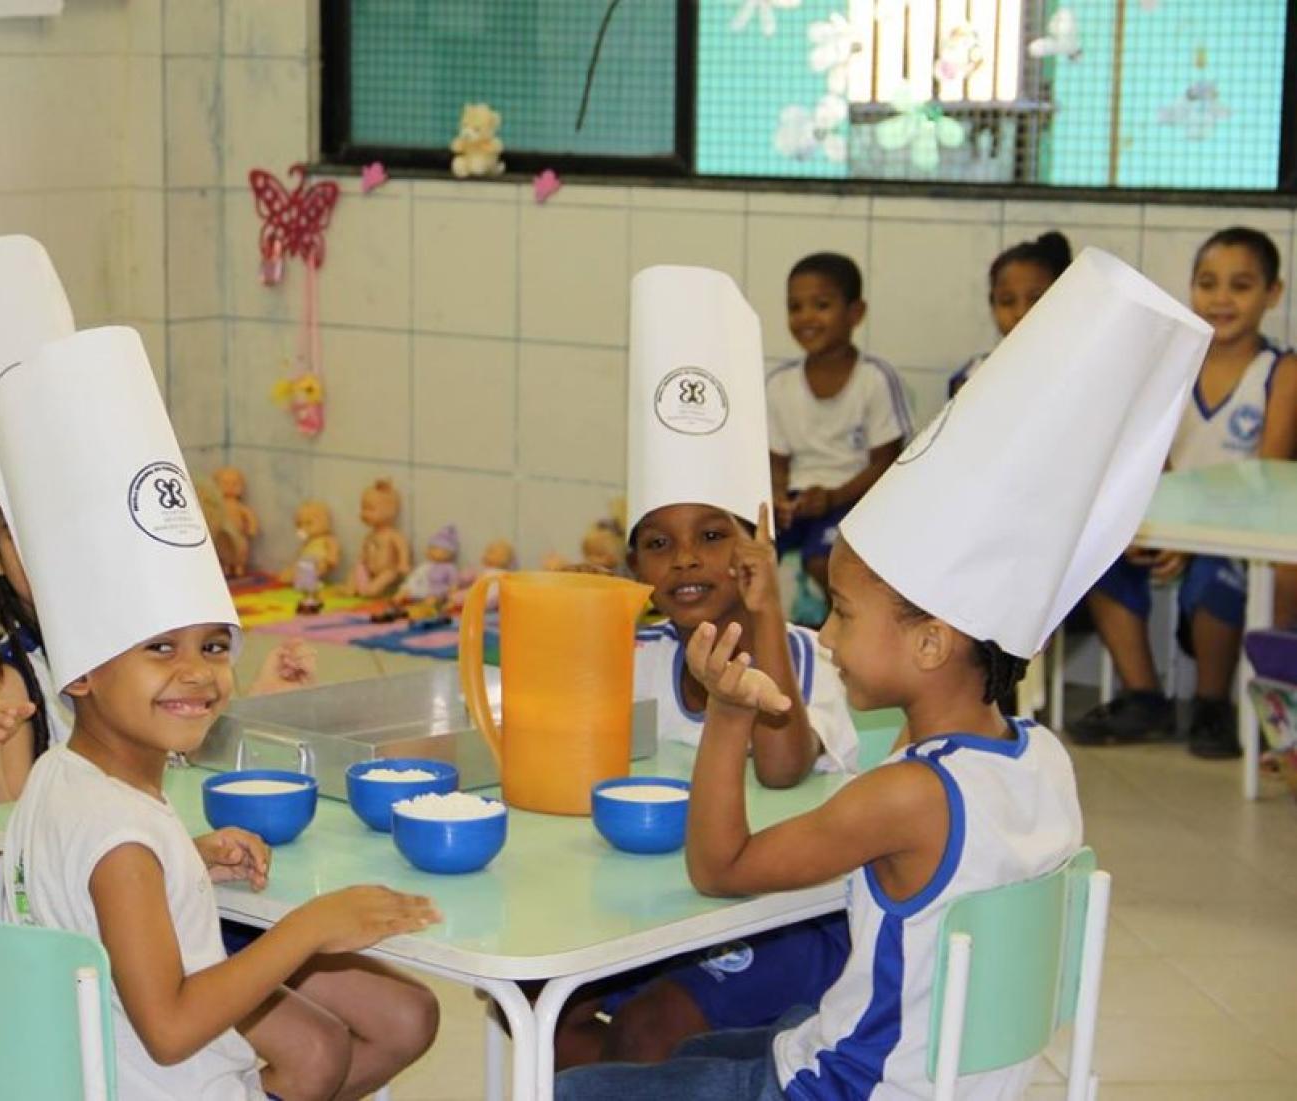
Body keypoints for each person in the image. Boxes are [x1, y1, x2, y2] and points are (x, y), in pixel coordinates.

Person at [556, 247, 1208, 1101]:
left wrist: (725, 711)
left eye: (845, 613)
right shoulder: (1037, 754)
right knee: (673, 1054)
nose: (824, 636)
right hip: (942, 1076)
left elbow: (719, 866)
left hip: (846, 1088)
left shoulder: (906, 794)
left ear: (934, 642)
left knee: (567, 1087)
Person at [0, 326, 439, 1101]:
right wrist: (311, 924)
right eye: (159, 648)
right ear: (82, 673)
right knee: (330, 1037)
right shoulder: (123, 842)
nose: (196, 673)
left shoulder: (63, 776)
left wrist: (183, 858)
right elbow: (168, 1029)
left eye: (212, 645)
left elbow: (90, 884)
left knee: (384, 1023)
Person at [554, 266, 858, 1068]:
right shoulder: (641, 658)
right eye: (658, 542)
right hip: (655, 906)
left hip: (775, 914)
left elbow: (787, 768)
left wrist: (762, 610)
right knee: (551, 1018)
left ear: (752, 542)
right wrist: (575, 628)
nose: (686, 558)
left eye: (714, 535)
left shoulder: (801, 651)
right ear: (636, 565)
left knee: (654, 1029)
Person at [1069, 227, 1297, 758]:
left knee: (1214, 575)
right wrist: (1147, 529)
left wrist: (1196, 538)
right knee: (1097, 554)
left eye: (1240, 285)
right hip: (1168, 523)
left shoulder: (1281, 371)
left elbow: (1268, 477)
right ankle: (1144, 695)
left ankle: (1213, 704)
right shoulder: (1172, 364)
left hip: (1244, 534)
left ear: (1274, 294)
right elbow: (1153, 464)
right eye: (1207, 283)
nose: (1221, 298)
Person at [768, 252, 912, 600]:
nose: (806, 318)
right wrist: (777, 498)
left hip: (856, 500)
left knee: (824, 561)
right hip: (799, 502)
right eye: (795, 307)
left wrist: (832, 497)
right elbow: (776, 462)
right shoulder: (779, 383)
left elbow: (888, 464)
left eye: (821, 305)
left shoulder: (874, 379)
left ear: (855, 313)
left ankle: (843, 640)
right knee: (745, 548)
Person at [949, 231, 1073, 397]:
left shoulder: (1079, 371)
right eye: (1007, 301)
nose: (1021, 313)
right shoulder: (973, 377)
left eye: (1036, 299)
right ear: (993, 306)